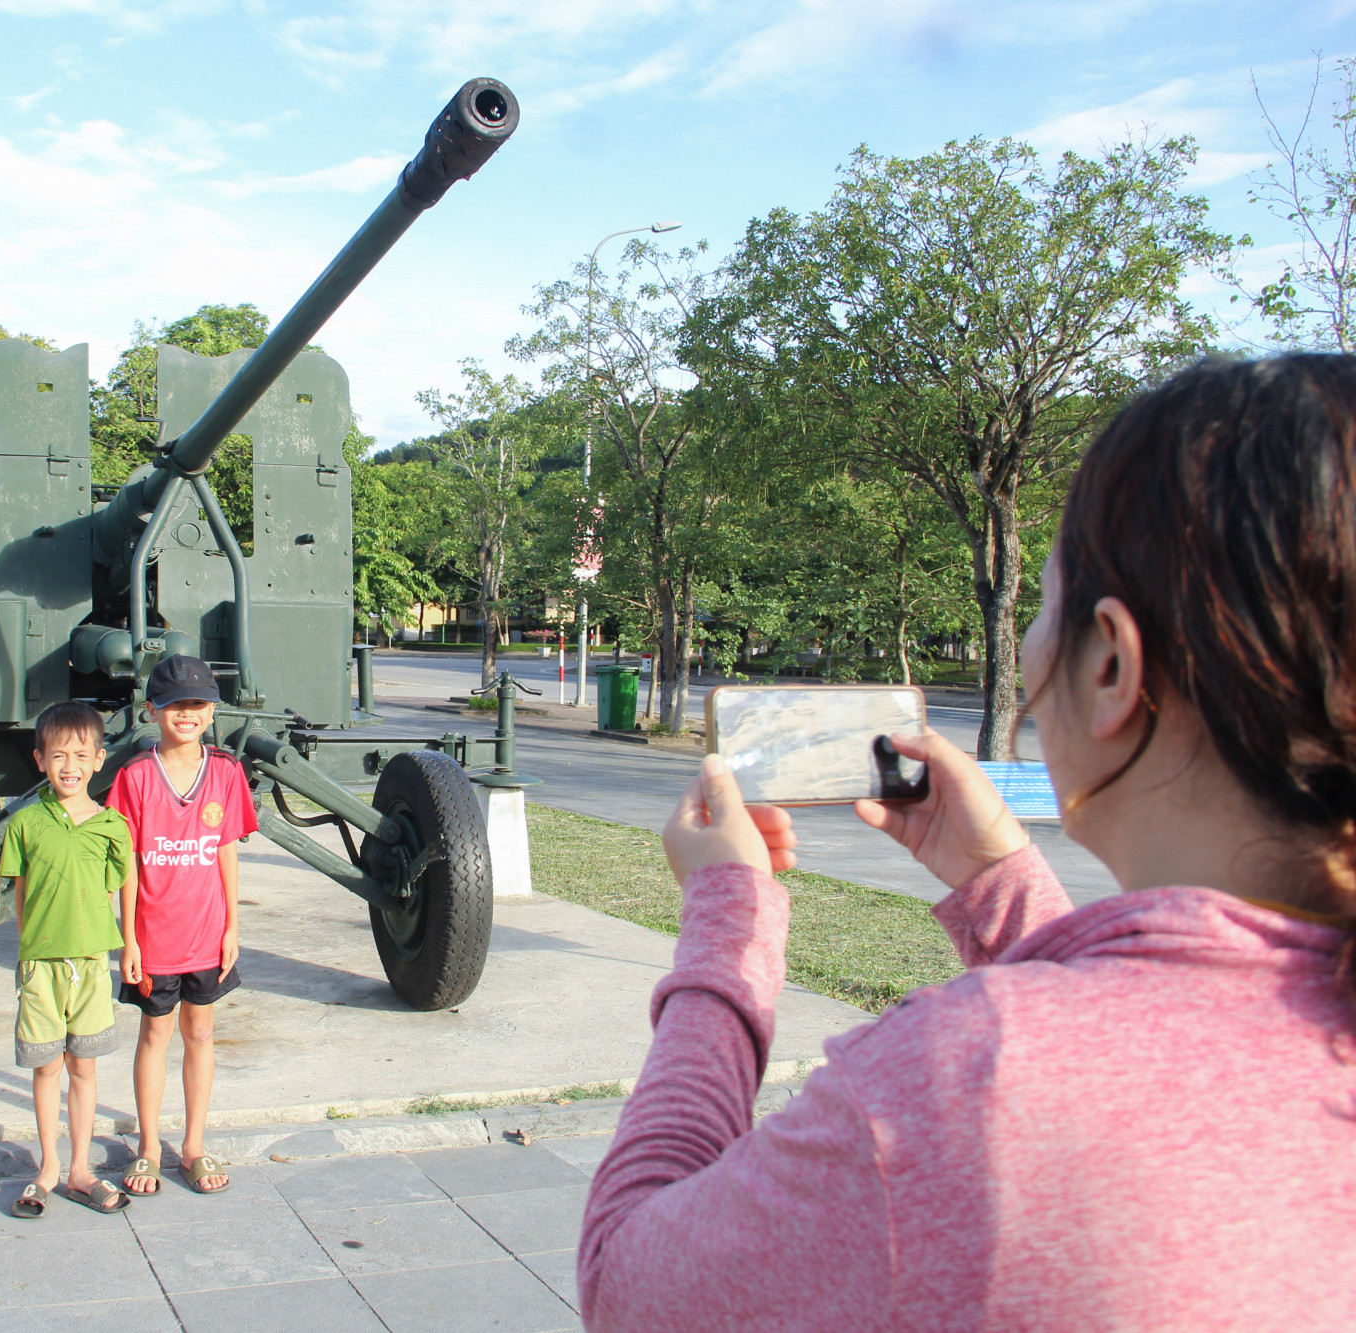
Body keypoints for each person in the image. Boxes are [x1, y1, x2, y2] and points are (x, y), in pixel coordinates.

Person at [580, 355, 1356, 1330]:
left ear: (1111, 663)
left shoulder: (959, 1084)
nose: (1029, 645)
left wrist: (725, 929)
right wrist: (1000, 890)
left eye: (1041, 601)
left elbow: (629, 1285)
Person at [109, 654, 258, 1196]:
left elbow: (225, 854)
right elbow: (126, 865)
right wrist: (126, 938)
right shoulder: (134, 779)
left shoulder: (225, 773)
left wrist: (232, 928)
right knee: (155, 1035)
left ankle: (193, 1144)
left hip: (206, 937)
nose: (186, 713)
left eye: (197, 704)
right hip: (153, 941)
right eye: (174, 705)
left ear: (212, 710)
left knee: (201, 1034)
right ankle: (149, 1146)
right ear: (153, 711)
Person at [0, 701, 134, 1218]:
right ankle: (48, 1168)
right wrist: (30, 946)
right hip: (41, 966)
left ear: (100, 760)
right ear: (40, 760)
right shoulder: (26, 823)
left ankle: (80, 1168)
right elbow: (22, 890)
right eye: (58, 755)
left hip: (92, 963)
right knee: (46, 1066)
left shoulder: (111, 827)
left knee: (83, 1067)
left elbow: (123, 888)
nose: (69, 765)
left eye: (81, 754)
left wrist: (130, 947)